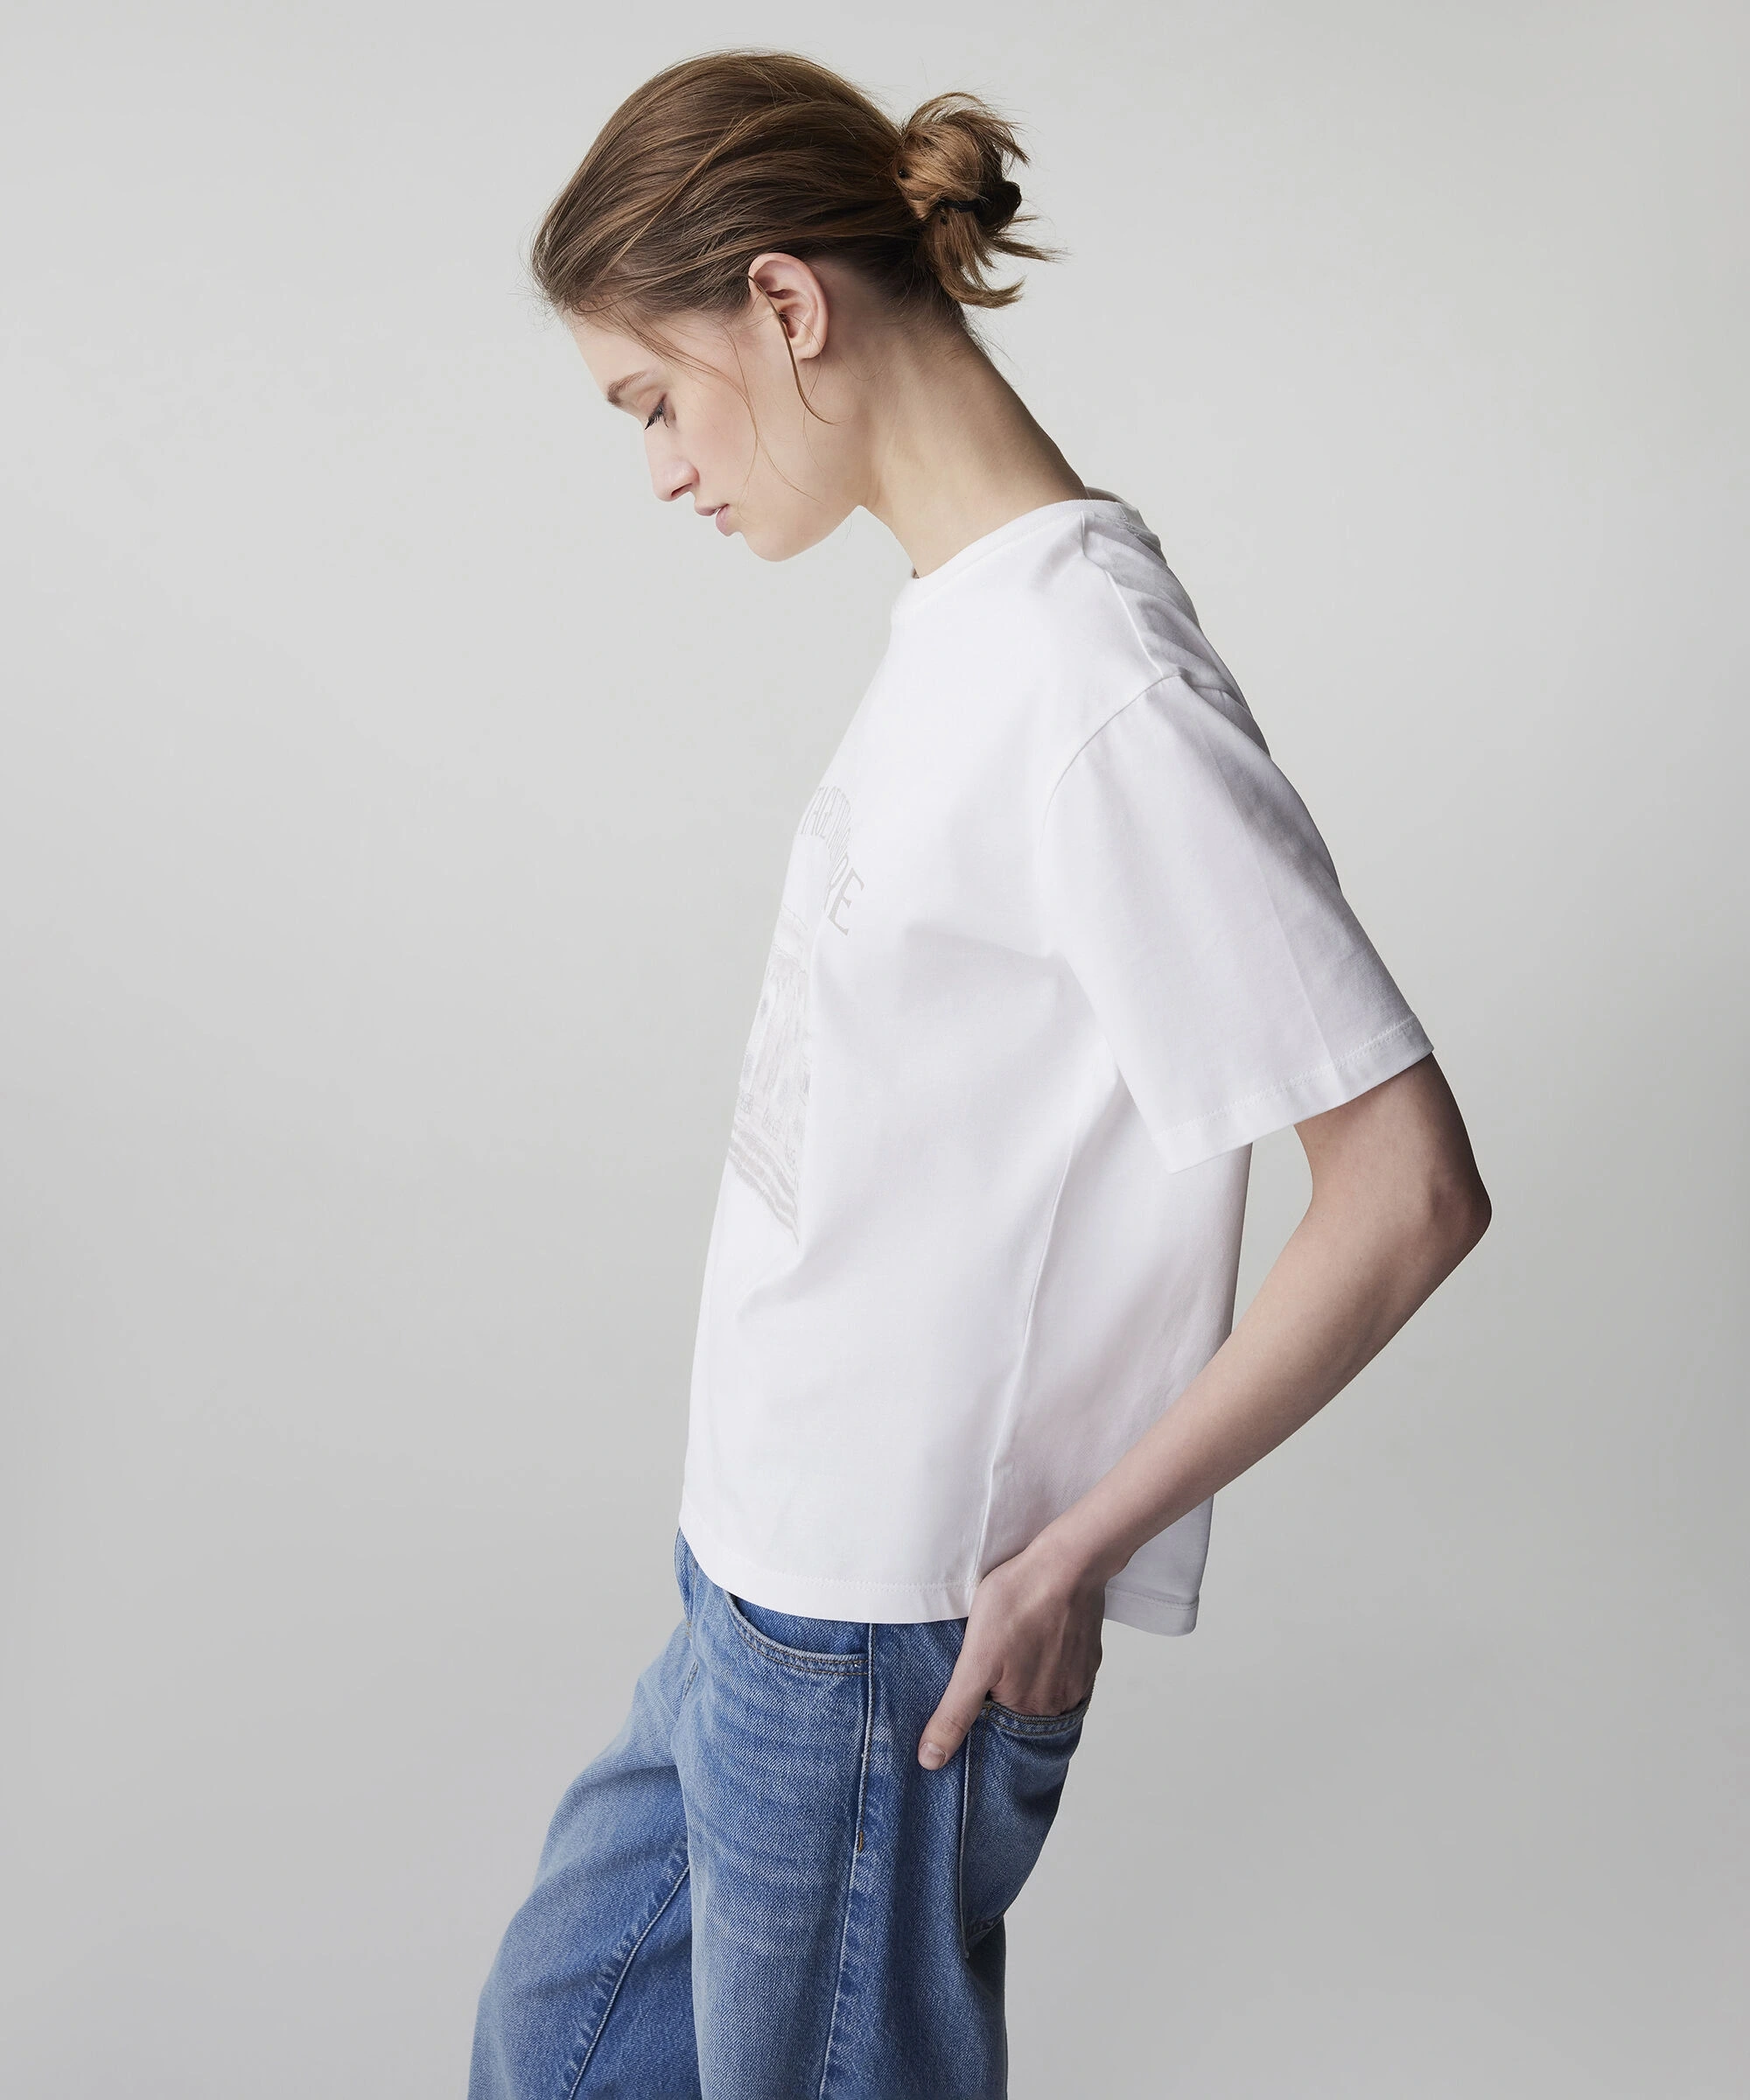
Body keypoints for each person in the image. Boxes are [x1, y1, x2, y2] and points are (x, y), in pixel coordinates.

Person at [468, 46, 1491, 2100]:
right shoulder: (967, 618)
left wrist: (1073, 1549)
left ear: (782, 303)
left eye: (650, 401)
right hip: (752, 1580)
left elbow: (1404, 1190)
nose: (660, 470)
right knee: (554, 2050)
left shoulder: (1090, 683)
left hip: (884, 1637)